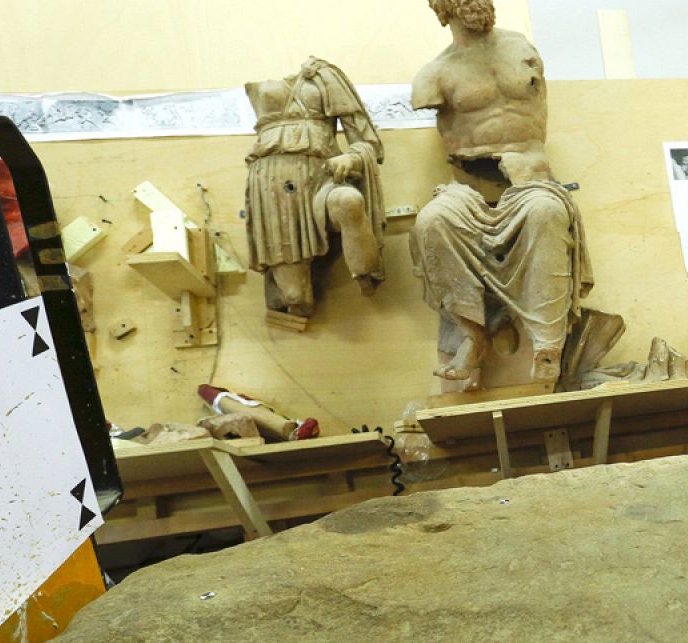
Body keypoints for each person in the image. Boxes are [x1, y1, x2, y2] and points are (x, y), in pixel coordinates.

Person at [410, 0, 594, 392]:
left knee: (545, 213)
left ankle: (548, 345)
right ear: (442, 8)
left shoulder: (521, 49)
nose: (478, 4)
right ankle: (470, 336)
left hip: (531, 181)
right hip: (469, 189)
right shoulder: (435, 74)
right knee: (431, 221)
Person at [244, 57, 386, 317]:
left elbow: (369, 144)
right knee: (296, 299)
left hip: (322, 181)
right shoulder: (260, 91)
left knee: (349, 202)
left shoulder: (324, 76)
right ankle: (285, 288)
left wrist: (350, 158)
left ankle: (366, 274)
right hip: (272, 190)